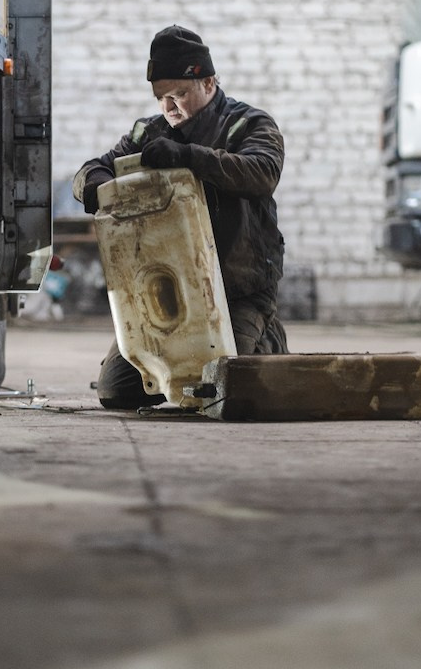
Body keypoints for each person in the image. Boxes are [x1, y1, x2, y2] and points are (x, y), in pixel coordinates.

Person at [73, 24, 288, 409]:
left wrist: (190, 158)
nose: (170, 107)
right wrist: (95, 186)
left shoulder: (249, 125)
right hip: (167, 290)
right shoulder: (148, 133)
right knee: (118, 393)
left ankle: (265, 334)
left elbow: (262, 172)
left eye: (180, 94)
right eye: (162, 98)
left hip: (238, 288)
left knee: (222, 391)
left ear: (209, 82)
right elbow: (92, 169)